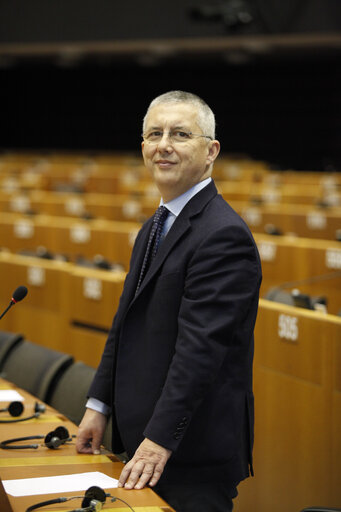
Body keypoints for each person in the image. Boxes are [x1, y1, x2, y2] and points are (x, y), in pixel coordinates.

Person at [76, 90, 262, 512]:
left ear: (211, 151)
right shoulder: (154, 225)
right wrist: (98, 405)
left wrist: (159, 440)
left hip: (188, 453)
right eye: (154, 134)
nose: (164, 145)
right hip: (146, 446)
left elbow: (200, 352)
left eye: (180, 134)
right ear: (142, 147)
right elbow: (124, 323)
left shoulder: (222, 235)